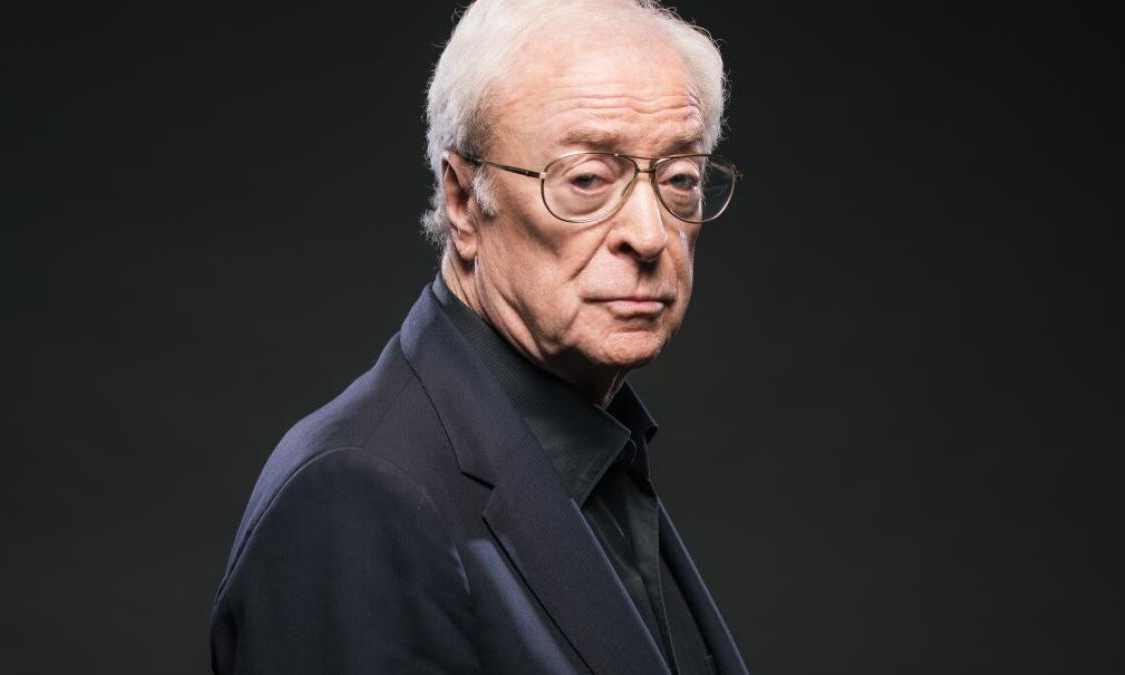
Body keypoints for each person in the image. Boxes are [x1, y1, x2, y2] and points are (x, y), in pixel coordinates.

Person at [209, 0, 747, 673]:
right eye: (586, 179)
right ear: (463, 201)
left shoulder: (598, 446)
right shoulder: (356, 495)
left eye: (680, 179)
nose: (648, 234)